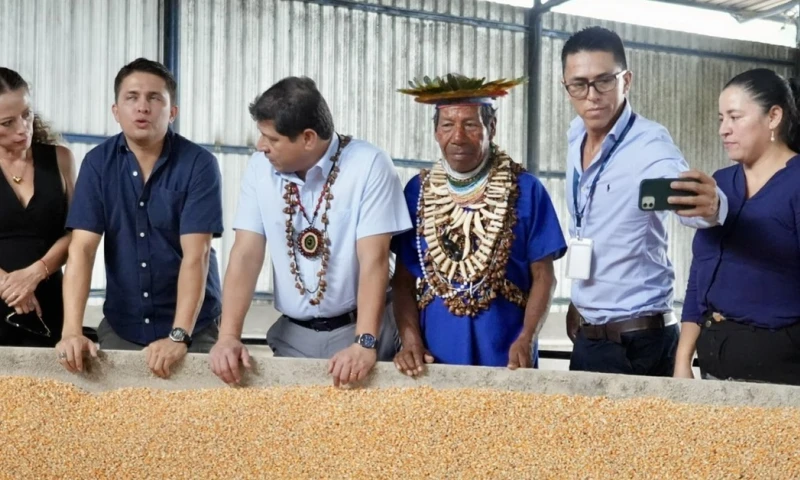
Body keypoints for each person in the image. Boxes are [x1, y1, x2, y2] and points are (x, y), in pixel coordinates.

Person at [209, 76, 411, 387]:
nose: (261, 146)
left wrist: (365, 343)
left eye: (272, 139)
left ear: (307, 138)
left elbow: (375, 259)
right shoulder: (260, 167)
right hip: (293, 338)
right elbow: (246, 253)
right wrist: (228, 337)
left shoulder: (369, 164)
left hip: (361, 333)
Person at [561, 26, 728, 376]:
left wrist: (712, 206)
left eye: (604, 80)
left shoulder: (650, 145)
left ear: (627, 80)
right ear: (567, 86)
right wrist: (580, 301)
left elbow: (689, 204)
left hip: (638, 344)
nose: (591, 95)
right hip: (589, 333)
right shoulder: (575, 135)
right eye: (578, 84)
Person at [55, 58, 224, 378]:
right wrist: (71, 331)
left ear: (172, 111)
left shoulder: (198, 164)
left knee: (196, 423)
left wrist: (179, 336)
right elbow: (82, 250)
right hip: (123, 324)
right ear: (116, 110)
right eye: (131, 97)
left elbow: (196, 255)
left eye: (154, 98)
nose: (142, 107)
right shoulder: (97, 164)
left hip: (193, 329)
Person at [391, 74, 567, 375]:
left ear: (491, 128)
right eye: (447, 125)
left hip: (508, 361)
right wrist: (410, 341)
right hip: (434, 361)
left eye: (470, 124)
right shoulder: (417, 192)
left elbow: (544, 278)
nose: (457, 136)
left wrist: (527, 338)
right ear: (436, 131)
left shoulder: (526, 190)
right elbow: (403, 282)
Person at [675, 68, 800, 386]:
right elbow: (699, 275)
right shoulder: (719, 183)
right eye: (721, 119)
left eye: (735, 117)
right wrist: (682, 360)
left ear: (773, 117)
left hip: (781, 371)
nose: (724, 130)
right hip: (713, 363)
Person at [0, 68, 75, 347]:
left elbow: (77, 232)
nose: (22, 128)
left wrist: (35, 274)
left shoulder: (61, 159)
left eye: (26, 114)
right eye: (7, 122)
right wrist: (9, 286)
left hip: (51, 301)